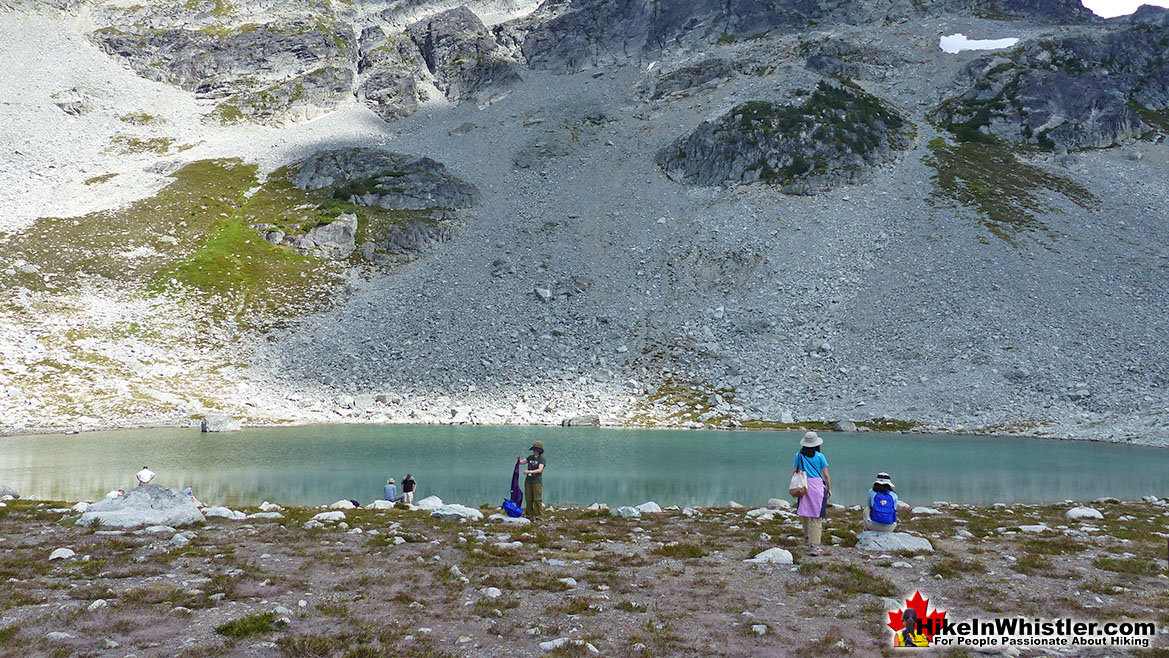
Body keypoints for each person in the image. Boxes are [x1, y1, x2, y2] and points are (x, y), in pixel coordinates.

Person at [793, 432, 830, 554]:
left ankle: (807, 537)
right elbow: (826, 475)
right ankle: (815, 546)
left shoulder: (798, 456)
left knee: (805, 511)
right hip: (817, 486)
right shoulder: (820, 456)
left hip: (804, 486)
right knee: (817, 516)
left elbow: (795, 471)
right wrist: (829, 488)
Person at [520, 441, 546, 521]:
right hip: (528, 481)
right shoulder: (530, 457)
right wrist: (518, 460)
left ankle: (538, 517)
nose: (534, 451)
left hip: (537, 481)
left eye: (536, 449)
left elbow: (540, 470)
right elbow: (522, 462)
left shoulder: (542, 459)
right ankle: (529, 515)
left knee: (537, 499)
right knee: (528, 499)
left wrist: (529, 472)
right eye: (534, 449)